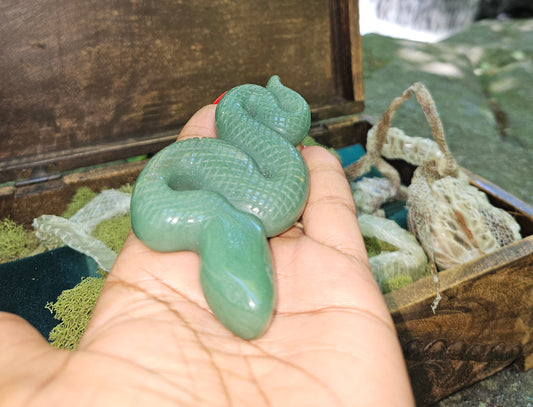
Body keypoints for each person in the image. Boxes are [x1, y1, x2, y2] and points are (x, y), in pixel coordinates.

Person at [0, 103, 415, 407]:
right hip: (212, 195)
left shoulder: (243, 217)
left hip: (227, 199)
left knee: (261, 206)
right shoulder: (213, 213)